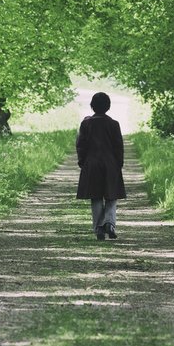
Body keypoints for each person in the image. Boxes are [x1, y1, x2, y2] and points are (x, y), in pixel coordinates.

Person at [75, 92, 126, 240]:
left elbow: (81, 145)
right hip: (110, 164)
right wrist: (119, 163)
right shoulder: (114, 124)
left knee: (96, 197)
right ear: (108, 106)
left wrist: (82, 161)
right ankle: (109, 223)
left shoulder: (86, 124)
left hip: (92, 163)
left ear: (92, 106)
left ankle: (98, 227)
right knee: (112, 196)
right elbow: (118, 146)